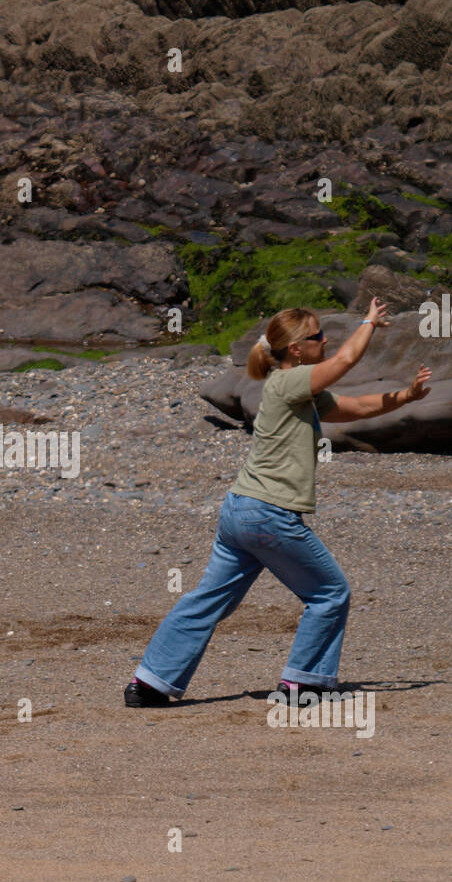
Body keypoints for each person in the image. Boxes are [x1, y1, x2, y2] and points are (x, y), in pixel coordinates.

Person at [124, 296, 431, 707]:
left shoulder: (300, 392)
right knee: (329, 593)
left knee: (208, 599)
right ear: (298, 349)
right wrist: (369, 323)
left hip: (240, 510)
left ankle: (150, 683)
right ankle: (303, 684)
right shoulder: (288, 383)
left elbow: (356, 408)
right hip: (267, 514)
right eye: (319, 336)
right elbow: (343, 364)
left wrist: (407, 395)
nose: (326, 341)